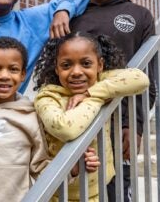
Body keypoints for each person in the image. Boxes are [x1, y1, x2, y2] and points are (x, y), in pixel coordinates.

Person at [0, 36, 100, 202]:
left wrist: (73, 169)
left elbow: (40, 167)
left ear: (23, 74)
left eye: (13, 69)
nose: (4, 76)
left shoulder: (32, 114)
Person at [69, 0, 156, 201]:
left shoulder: (139, 15)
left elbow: (147, 77)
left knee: (116, 190)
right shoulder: (73, 15)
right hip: (76, 119)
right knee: (78, 189)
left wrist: (136, 125)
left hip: (119, 122)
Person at [33, 32, 150, 201]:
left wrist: (91, 93)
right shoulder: (48, 96)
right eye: (66, 65)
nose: (76, 72)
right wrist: (97, 98)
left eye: (86, 64)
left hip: (98, 188)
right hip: (60, 192)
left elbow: (141, 79)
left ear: (100, 65)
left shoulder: (98, 83)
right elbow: (66, 128)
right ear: (57, 68)